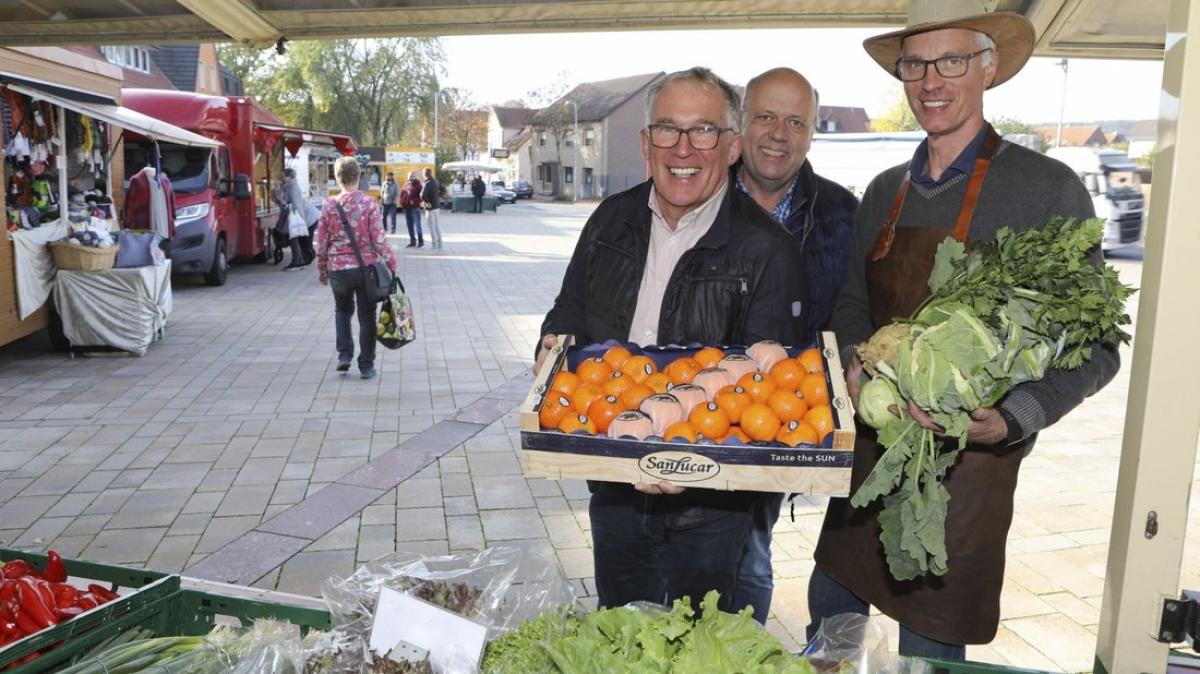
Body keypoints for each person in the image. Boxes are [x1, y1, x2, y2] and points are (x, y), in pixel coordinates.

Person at [809, 1, 1121, 658]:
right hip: (867, 459)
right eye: (915, 64)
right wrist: (859, 363)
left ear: (988, 67)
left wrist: (1013, 417)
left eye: (950, 60)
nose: (930, 81)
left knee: (929, 652)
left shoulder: (1048, 189)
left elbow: (1096, 344)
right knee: (831, 627)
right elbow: (850, 303)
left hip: (966, 478)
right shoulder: (884, 190)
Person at [537, 67, 807, 614]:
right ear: (646, 142)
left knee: (699, 645)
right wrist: (550, 347)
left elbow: (768, 390)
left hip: (714, 509)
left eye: (704, 130)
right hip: (612, 483)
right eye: (668, 130)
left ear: (731, 147)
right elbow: (568, 313)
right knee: (622, 632)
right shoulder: (609, 221)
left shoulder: (768, 250)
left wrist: (683, 461)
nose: (684, 148)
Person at [729, 67, 858, 625]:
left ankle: (738, 649)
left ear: (810, 134)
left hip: (782, 416)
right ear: (741, 122)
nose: (778, 133)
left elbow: (851, 314)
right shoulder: (703, 192)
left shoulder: (841, 214)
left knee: (747, 552)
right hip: (693, 407)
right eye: (765, 116)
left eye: (795, 121)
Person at [315, 156, 399, 380]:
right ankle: (366, 365)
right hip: (365, 269)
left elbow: (320, 242)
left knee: (342, 311)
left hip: (338, 268)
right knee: (367, 316)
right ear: (358, 176)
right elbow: (379, 240)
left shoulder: (328, 205)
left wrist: (322, 269)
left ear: (337, 177)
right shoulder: (369, 203)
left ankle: (344, 355)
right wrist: (392, 264)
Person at [280, 167, 319, 270]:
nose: (282, 178)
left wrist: (302, 221)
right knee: (302, 240)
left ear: (288, 176)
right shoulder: (291, 185)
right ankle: (302, 259)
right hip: (308, 216)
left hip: (307, 218)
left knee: (300, 240)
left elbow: (297, 204)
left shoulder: (292, 186)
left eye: (283, 176)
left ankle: (300, 260)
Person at [421, 167, 443, 250]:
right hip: (437, 206)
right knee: (437, 225)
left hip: (430, 208)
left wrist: (427, 202)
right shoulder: (436, 182)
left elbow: (422, 195)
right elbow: (442, 190)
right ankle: (440, 244)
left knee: (431, 226)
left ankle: (434, 245)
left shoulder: (427, 183)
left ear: (424, 174)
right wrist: (436, 198)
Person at [401, 171, 424, 248]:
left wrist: (414, 201)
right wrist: (402, 202)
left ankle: (420, 241)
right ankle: (412, 241)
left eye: (412, 176)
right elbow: (402, 193)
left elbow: (421, 196)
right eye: (409, 176)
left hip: (415, 208)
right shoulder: (406, 184)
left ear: (415, 176)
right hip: (407, 208)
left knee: (417, 225)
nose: (410, 177)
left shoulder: (418, 185)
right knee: (409, 225)